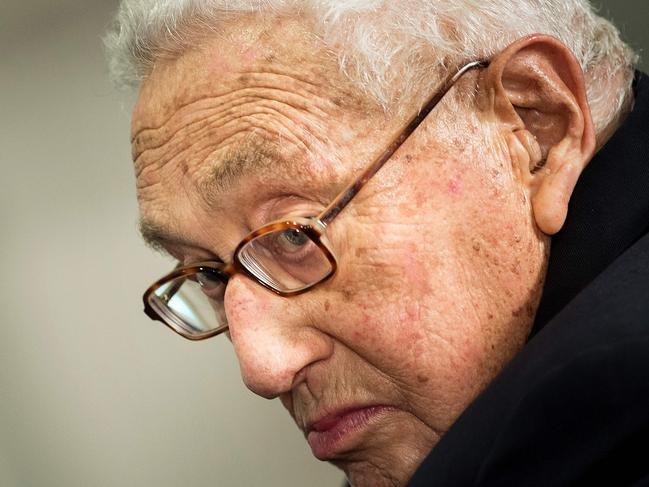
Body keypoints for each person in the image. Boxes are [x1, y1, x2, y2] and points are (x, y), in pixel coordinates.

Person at [105, 1, 648, 486]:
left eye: (294, 234)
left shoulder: (608, 425)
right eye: (208, 275)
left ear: (536, 131)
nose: (263, 369)